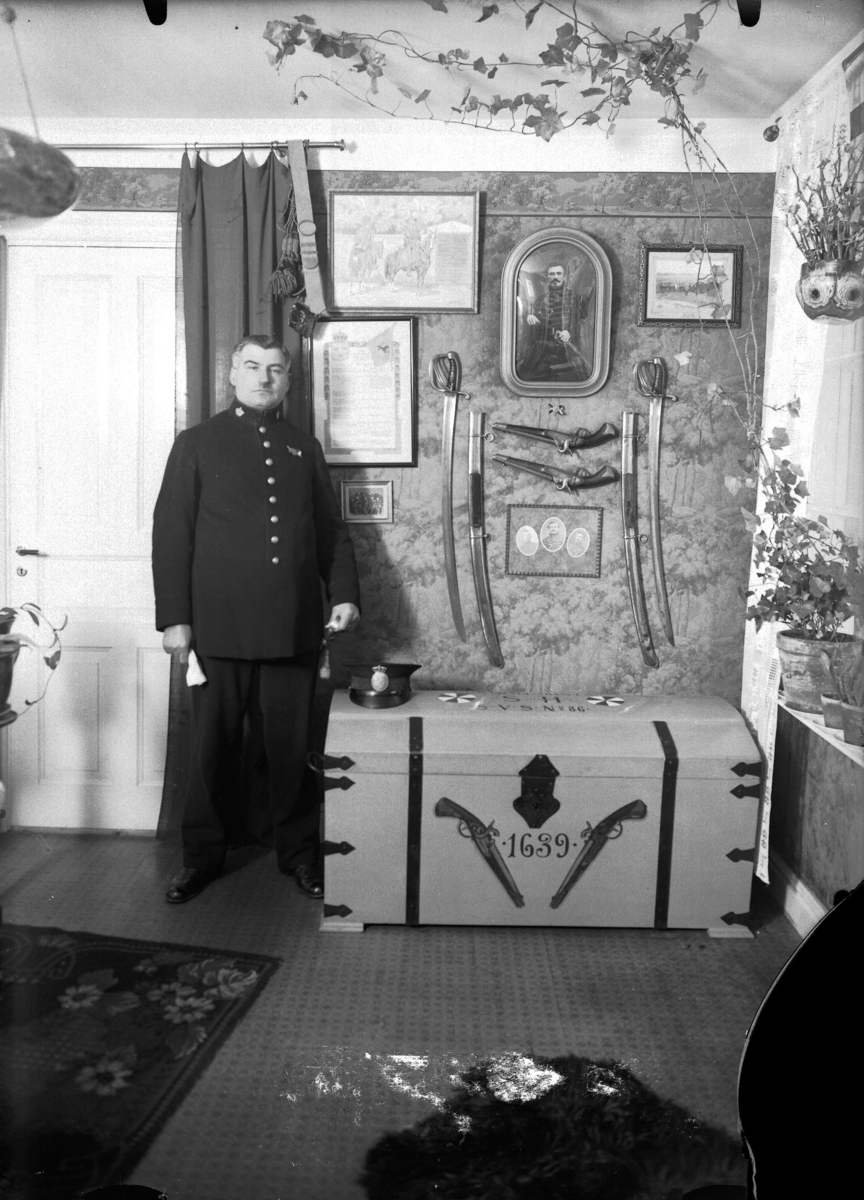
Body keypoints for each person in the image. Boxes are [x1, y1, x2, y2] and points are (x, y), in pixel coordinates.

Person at [152, 334, 361, 904]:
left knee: (293, 750)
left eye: (274, 369)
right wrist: (175, 619)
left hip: (293, 625)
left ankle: (299, 855)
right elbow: (171, 536)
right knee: (211, 750)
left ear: (288, 379)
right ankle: (200, 859)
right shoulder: (196, 443)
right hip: (217, 626)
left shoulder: (303, 447)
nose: (264, 378)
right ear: (232, 375)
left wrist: (344, 594)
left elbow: (330, 532)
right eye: (252, 367)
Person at [517, 260, 593, 381]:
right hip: (545, 349)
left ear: (564, 276)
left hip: (568, 350)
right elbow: (537, 318)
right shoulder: (541, 299)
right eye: (552, 274)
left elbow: (584, 320)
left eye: (558, 273)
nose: (555, 277)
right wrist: (530, 317)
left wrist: (569, 332)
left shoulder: (574, 297)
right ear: (547, 277)